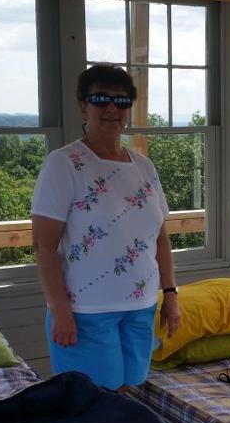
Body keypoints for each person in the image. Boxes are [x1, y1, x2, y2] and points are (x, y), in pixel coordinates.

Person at [30, 64, 181, 391]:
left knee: (131, 395)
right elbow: (43, 246)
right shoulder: (64, 163)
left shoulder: (143, 166)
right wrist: (60, 311)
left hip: (141, 306)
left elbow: (160, 238)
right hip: (86, 311)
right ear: (84, 105)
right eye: (101, 99)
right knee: (93, 406)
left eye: (122, 101)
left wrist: (170, 294)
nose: (112, 108)